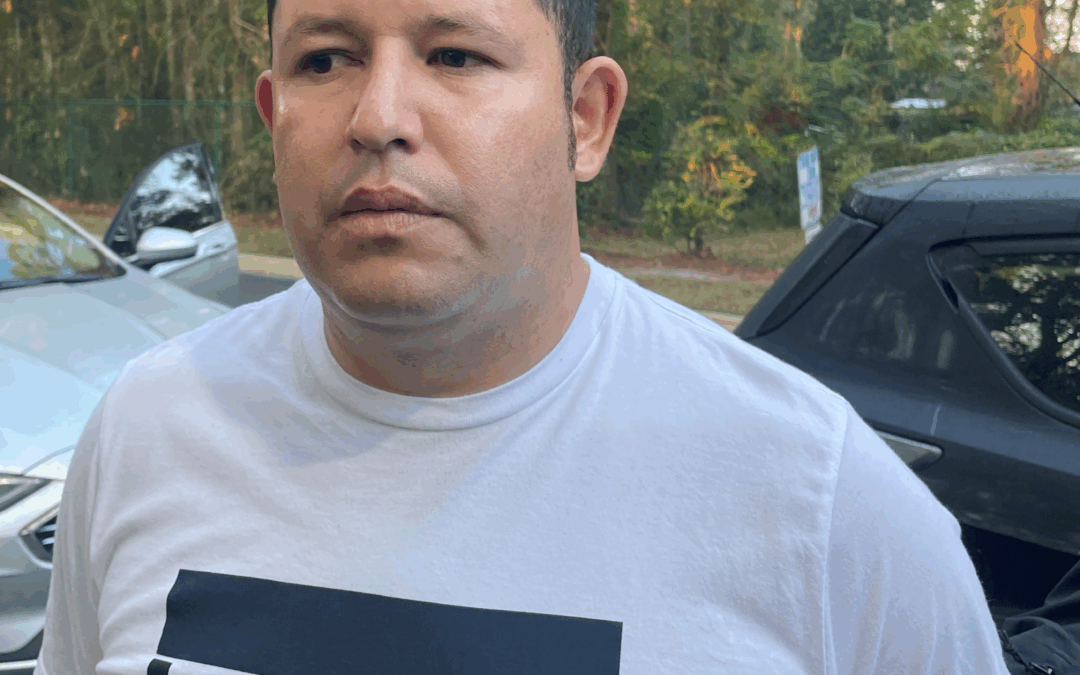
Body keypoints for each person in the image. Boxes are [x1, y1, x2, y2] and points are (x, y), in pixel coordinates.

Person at [35, 0, 1011, 672]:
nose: (379, 117)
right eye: (325, 59)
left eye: (455, 54)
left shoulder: (818, 500)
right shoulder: (150, 426)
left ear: (585, 120)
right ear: (270, 114)